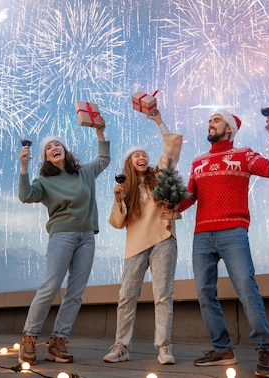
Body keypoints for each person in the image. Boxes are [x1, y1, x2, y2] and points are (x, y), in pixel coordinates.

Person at [177, 110, 269, 378]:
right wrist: (168, 202)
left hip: (234, 231)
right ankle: (222, 348)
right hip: (202, 235)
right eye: (209, 120)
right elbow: (189, 197)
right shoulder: (198, 162)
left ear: (230, 128)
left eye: (216, 120)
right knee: (205, 293)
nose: (210, 123)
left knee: (246, 288)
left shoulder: (244, 155)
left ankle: (264, 348)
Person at [16, 120, 110, 365]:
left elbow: (103, 159)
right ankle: (29, 338)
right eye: (49, 148)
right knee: (49, 287)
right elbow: (26, 196)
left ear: (65, 151)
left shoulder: (84, 173)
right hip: (62, 235)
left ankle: (58, 342)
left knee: (76, 293)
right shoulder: (45, 182)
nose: (54, 148)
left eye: (58, 145)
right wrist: (24, 168)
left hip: (87, 236)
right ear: (46, 158)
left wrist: (99, 130)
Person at [103, 110, 183, 365]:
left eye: (145, 155)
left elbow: (170, 147)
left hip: (163, 240)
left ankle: (164, 347)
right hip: (135, 246)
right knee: (126, 296)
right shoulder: (124, 189)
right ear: (128, 162)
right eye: (136, 154)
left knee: (163, 295)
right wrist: (118, 199)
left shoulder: (158, 176)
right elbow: (117, 222)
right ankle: (121, 346)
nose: (142, 156)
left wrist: (159, 120)